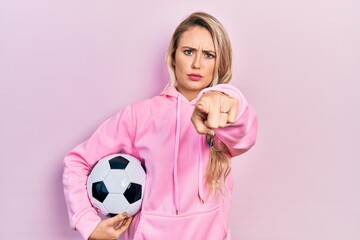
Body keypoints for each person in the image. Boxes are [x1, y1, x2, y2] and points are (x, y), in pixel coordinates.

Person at [63, 12, 258, 240]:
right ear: (174, 57)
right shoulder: (139, 116)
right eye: (188, 52)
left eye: (208, 55)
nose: (197, 63)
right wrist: (88, 223)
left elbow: (245, 133)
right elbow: (77, 161)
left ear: (219, 62)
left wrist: (230, 100)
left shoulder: (223, 116)